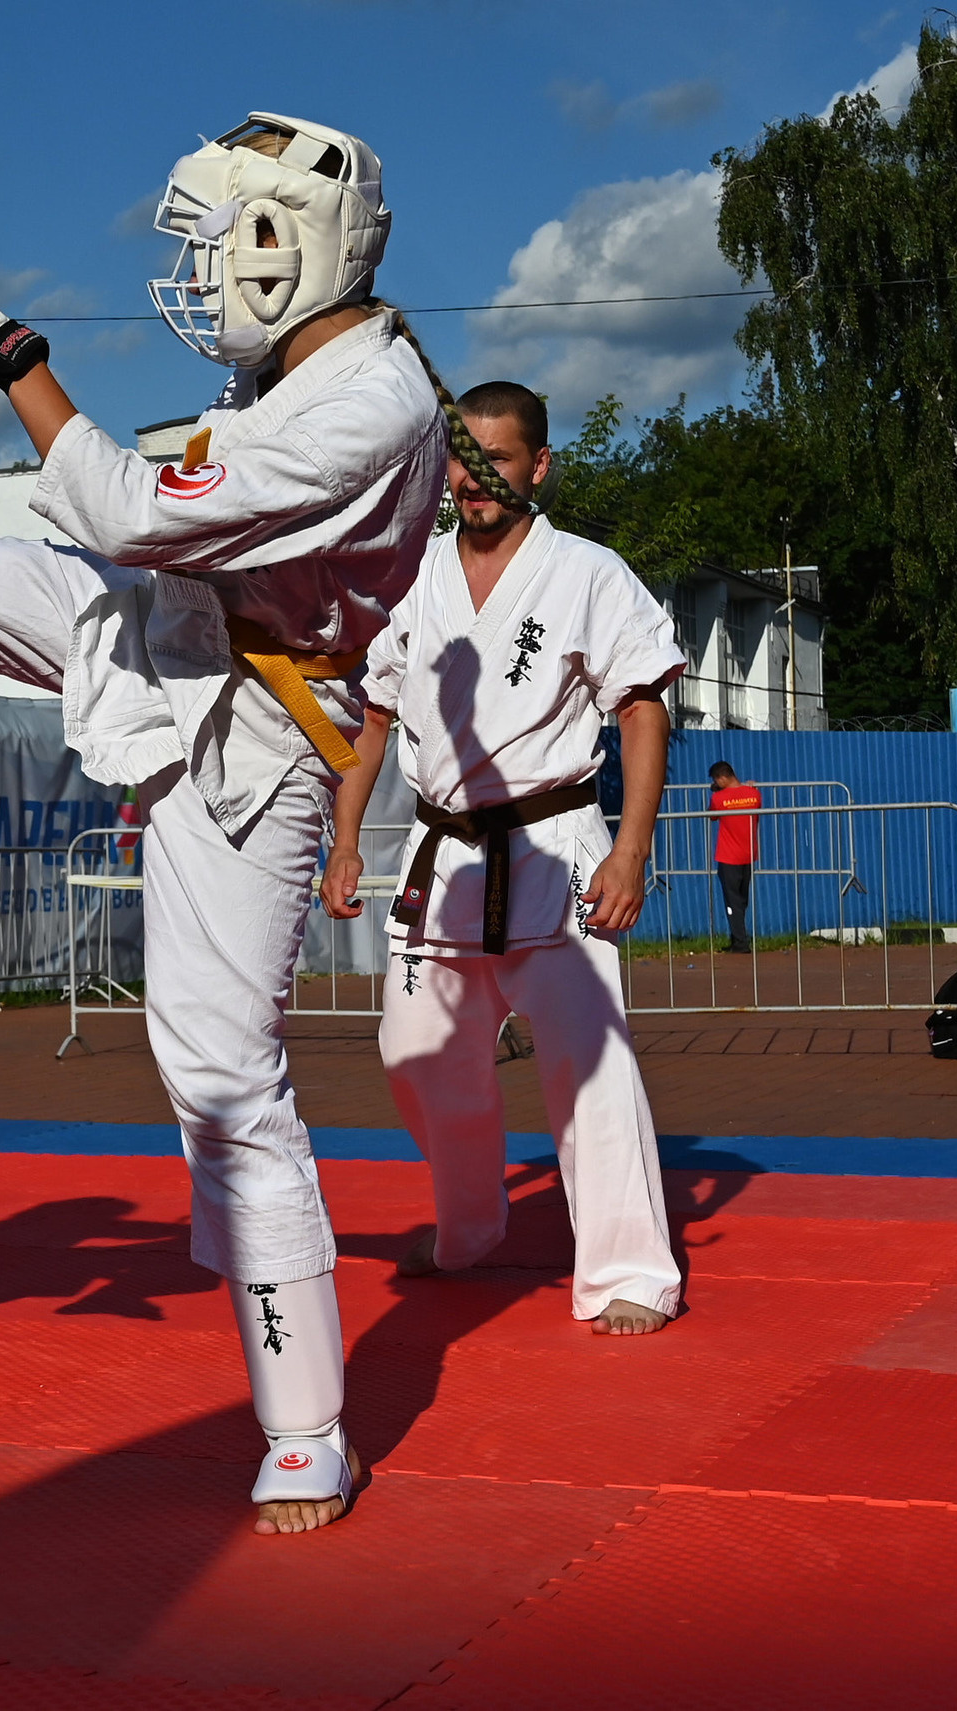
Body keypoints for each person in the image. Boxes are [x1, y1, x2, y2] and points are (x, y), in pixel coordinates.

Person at [0, 114, 450, 1535]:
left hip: (257, 737)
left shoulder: (376, 404)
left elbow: (127, 510)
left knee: (221, 1072)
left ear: (283, 247)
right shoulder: (290, 375)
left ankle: (307, 1423)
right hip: (160, 635)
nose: (196, 276)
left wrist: (22, 367)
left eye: (216, 245)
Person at [323, 381, 683, 1338]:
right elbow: (375, 716)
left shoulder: (587, 572)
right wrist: (348, 835)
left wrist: (632, 848)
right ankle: (472, 1225)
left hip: (556, 844)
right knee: (413, 1053)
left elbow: (643, 706)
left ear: (539, 465)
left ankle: (628, 1268)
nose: (478, 479)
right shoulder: (416, 576)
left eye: (500, 460)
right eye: (464, 460)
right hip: (441, 856)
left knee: (588, 1065)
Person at [708, 762, 759, 953]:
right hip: (748, 854)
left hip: (728, 856)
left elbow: (712, 816)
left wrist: (715, 793)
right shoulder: (754, 794)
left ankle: (740, 942)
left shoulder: (719, 798)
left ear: (721, 778)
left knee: (732, 901)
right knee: (742, 900)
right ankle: (738, 937)